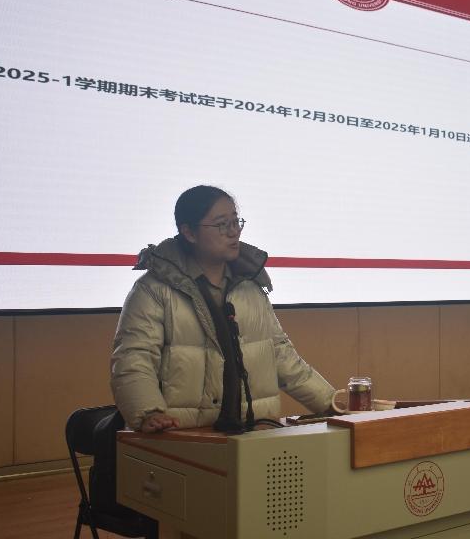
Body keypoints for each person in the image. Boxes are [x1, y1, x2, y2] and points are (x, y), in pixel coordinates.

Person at [111, 185, 336, 433]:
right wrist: (148, 412)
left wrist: (333, 404)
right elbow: (134, 358)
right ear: (189, 233)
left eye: (235, 222)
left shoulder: (250, 287)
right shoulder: (154, 290)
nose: (233, 232)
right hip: (181, 434)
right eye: (221, 225)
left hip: (252, 432)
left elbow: (282, 356)